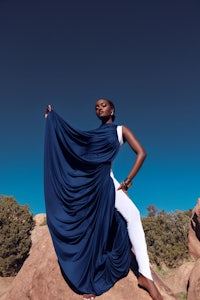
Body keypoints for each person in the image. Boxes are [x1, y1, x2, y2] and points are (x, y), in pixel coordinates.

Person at [44, 99, 163, 300]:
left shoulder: (120, 130)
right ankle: (88, 280)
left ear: (112, 109)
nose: (99, 108)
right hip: (89, 185)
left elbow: (141, 153)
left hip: (107, 183)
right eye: (96, 106)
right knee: (91, 228)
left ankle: (145, 276)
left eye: (103, 105)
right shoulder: (91, 135)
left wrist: (126, 182)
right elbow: (74, 143)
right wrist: (53, 120)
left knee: (133, 215)